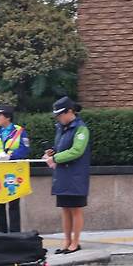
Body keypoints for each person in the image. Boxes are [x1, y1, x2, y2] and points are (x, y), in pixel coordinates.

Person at [43, 96, 90, 254]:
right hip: (63, 174)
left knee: (75, 209)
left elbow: (77, 150)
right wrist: (52, 152)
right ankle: (66, 240)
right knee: (65, 208)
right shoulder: (61, 128)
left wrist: (55, 158)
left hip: (76, 175)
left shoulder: (81, 129)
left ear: (70, 112)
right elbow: (62, 148)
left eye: (60, 114)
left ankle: (75, 242)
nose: (58, 118)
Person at [0, 104, 30, 233]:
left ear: (7, 117)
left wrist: (10, 156)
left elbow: (24, 149)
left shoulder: (19, 131)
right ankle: (1, 234)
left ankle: (15, 235)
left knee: (14, 204)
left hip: (13, 171)